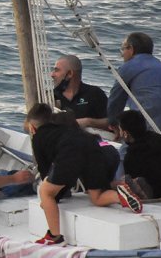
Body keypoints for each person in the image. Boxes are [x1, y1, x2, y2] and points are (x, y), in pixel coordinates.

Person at [25, 103, 143, 246]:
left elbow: (46, 174)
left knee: (45, 192)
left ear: (32, 127)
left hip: (70, 153)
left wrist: (52, 199)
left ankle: (54, 237)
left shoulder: (38, 138)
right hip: (92, 147)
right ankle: (121, 196)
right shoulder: (63, 129)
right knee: (97, 197)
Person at [107, 32, 161, 169]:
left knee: (130, 153)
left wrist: (113, 125)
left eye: (123, 49)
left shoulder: (129, 66)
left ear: (131, 49)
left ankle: (121, 186)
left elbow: (115, 100)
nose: (122, 54)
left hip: (154, 115)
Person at [50, 54, 108, 130]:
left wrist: (88, 122)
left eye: (56, 70)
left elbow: (111, 121)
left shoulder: (94, 94)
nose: (52, 74)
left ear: (70, 74)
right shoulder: (49, 96)